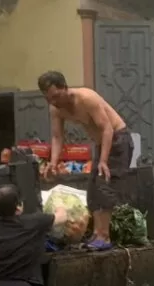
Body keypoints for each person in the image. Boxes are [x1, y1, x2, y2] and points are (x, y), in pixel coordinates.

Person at [38, 70, 132, 250]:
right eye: (49, 99)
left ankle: (104, 236)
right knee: (93, 190)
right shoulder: (56, 108)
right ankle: (97, 234)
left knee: (104, 186)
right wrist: (53, 162)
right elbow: (57, 137)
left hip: (117, 140)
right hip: (101, 144)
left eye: (57, 96)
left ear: (65, 87)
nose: (54, 102)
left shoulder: (87, 98)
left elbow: (107, 129)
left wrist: (103, 161)